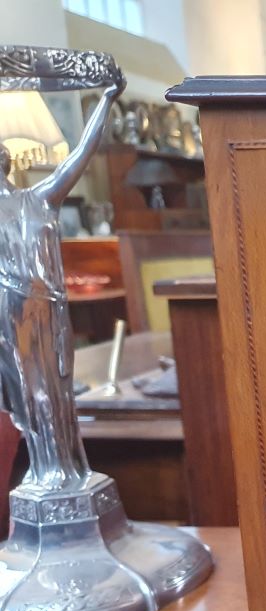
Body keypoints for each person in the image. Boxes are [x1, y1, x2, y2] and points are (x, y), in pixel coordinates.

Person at [0, 75, 123, 491]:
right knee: (25, 399)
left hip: (47, 310)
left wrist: (106, 101)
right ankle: (44, 473)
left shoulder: (38, 198)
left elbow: (81, 155)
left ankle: (67, 472)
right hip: (8, 315)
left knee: (56, 393)